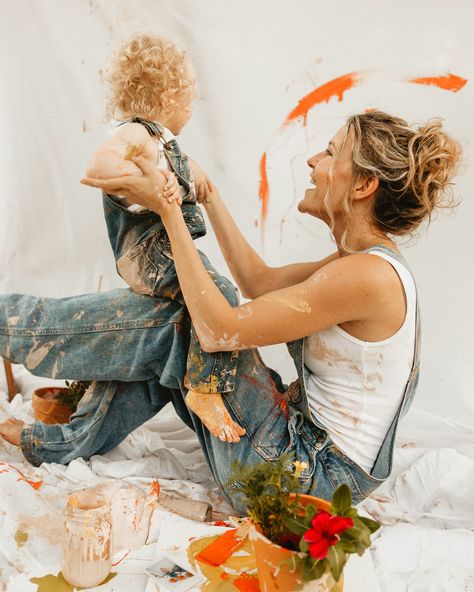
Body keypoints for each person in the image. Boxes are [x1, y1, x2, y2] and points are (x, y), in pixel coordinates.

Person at [0, 110, 461, 510]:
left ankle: (11, 327)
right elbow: (257, 282)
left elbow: (220, 330)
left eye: (329, 153)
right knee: (181, 329)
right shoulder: (358, 264)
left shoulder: (368, 277)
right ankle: (54, 437)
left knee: (184, 321)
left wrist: (168, 211)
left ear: (362, 184)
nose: (314, 162)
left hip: (304, 482)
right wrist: (209, 195)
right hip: (299, 461)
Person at [86, 33, 245, 442]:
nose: (192, 108)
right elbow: (103, 160)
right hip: (148, 252)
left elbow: (188, 171)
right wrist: (139, 179)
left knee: (198, 308)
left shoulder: (164, 145)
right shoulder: (138, 135)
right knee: (221, 295)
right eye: (187, 99)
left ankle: (196, 378)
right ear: (165, 95)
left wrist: (198, 181)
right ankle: (203, 389)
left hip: (160, 250)